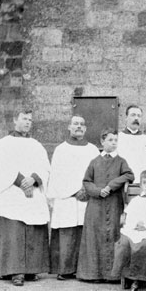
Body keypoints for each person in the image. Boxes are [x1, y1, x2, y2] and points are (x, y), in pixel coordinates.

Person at [0, 109, 51, 286]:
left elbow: (45, 167)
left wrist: (34, 179)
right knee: (13, 232)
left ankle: (31, 270)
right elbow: (2, 167)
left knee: (33, 232)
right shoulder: (4, 144)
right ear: (15, 120)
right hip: (12, 192)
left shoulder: (36, 145)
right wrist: (22, 181)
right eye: (24, 119)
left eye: (30, 119)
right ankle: (15, 272)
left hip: (33, 193)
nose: (28, 122)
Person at [77, 128, 134, 282]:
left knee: (113, 235)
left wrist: (111, 185)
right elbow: (86, 181)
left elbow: (129, 175)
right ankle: (94, 274)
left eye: (116, 140)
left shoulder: (121, 161)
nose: (113, 143)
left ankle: (112, 275)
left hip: (114, 204)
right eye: (110, 140)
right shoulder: (94, 162)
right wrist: (97, 191)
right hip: (96, 205)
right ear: (102, 142)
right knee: (95, 237)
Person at [47, 115, 99, 280]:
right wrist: (74, 191)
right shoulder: (61, 149)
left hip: (87, 196)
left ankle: (83, 269)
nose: (79, 127)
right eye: (75, 124)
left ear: (85, 129)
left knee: (84, 230)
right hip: (67, 198)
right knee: (67, 230)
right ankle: (64, 268)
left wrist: (86, 189)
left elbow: (96, 172)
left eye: (82, 124)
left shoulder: (92, 149)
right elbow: (57, 175)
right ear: (69, 127)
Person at [117, 104, 146, 168]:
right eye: (133, 115)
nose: (136, 118)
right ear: (126, 117)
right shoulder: (118, 138)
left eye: (139, 116)